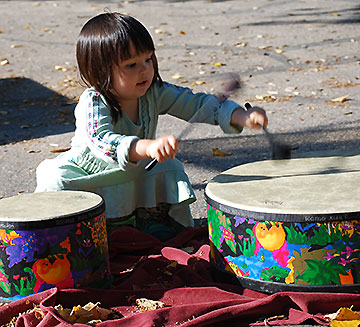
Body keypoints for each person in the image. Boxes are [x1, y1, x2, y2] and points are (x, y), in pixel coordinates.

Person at [35, 12, 268, 241]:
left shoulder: (153, 92)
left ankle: (158, 227)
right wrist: (146, 147)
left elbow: (196, 104)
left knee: (171, 168)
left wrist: (239, 116)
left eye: (148, 59)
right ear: (100, 72)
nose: (145, 69)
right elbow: (101, 140)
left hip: (135, 171)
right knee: (55, 179)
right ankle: (67, 241)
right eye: (131, 64)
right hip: (90, 175)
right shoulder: (94, 101)